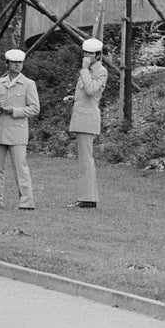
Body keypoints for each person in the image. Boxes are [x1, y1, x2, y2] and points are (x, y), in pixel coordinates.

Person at [0, 49, 40, 210]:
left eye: (20, 62)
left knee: (20, 168)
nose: (17, 65)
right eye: (14, 62)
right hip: (0, 129)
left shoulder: (28, 84)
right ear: (7, 64)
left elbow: (35, 108)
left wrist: (14, 111)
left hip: (17, 131)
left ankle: (26, 202)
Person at [64, 38, 108, 209]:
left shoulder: (100, 71)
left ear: (98, 55)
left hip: (88, 120)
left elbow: (90, 90)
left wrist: (84, 70)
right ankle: (87, 197)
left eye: (90, 53)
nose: (86, 56)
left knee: (86, 159)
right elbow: (85, 94)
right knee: (84, 159)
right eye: (85, 53)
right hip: (81, 117)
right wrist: (73, 99)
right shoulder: (88, 71)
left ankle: (88, 198)